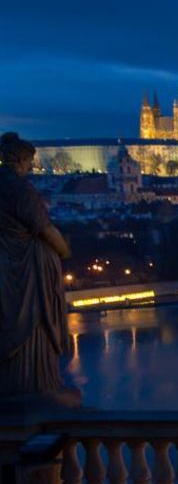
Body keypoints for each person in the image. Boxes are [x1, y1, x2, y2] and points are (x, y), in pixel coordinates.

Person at [0, 132, 74, 402]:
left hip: (4, 267)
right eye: (30, 161)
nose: (32, 167)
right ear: (19, 160)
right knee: (33, 325)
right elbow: (44, 228)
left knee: (6, 321)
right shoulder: (20, 190)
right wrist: (64, 250)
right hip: (27, 272)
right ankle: (36, 383)